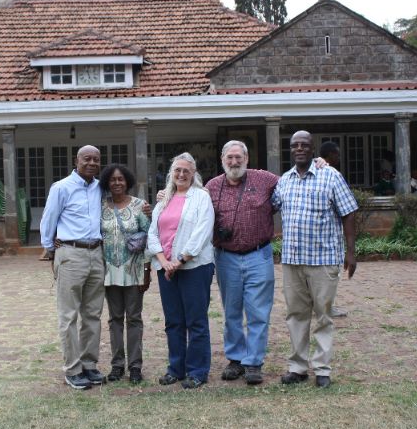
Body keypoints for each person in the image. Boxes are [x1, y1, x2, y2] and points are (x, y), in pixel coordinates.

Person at [273, 131, 358, 389]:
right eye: (294, 145)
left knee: (323, 316)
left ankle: (322, 369)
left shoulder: (330, 176)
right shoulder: (284, 181)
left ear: (313, 151)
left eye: (304, 145)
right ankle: (298, 367)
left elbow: (349, 213)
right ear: (290, 150)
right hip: (292, 260)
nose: (299, 148)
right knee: (296, 315)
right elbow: (267, 204)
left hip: (323, 259)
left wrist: (351, 251)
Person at [205, 140, 278, 385]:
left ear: (246, 158)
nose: (234, 162)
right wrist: (165, 194)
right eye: (230, 158)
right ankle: (235, 359)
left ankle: (254, 362)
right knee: (232, 311)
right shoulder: (212, 186)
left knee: (258, 312)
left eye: (239, 157)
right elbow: (189, 204)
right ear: (222, 159)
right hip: (226, 257)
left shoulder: (265, 179)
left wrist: (318, 164)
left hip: (259, 254)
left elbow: (292, 183)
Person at [39, 145, 106, 390]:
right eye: (86, 158)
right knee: (68, 316)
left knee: (92, 314)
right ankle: (73, 368)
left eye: (96, 160)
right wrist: (51, 250)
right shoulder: (61, 188)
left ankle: (89, 364)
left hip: (96, 254)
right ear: (76, 161)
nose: (91, 163)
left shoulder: (100, 188)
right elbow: (49, 219)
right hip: (70, 253)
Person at [147, 152, 215, 389]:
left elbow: (203, 231)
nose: (182, 174)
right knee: (173, 321)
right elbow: (152, 232)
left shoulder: (201, 197)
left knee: (195, 321)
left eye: (186, 170)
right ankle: (175, 368)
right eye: (177, 170)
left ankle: (197, 371)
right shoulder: (164, 199)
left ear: (194, 173)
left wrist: (181, 259)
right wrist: (164, 261)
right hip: (165, 268)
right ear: (171, 173)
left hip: (194, 267)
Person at [99, 164, 151, 384]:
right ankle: (117, 365)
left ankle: (136, 366)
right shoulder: (100, 206)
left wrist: (147, 270)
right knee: (114, 319)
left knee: (135, 319)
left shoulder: (140, 206)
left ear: (127, 181)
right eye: (112, 180)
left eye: (120, 179)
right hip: (109, 272)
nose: (117, 183)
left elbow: (149, 237)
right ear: (107, 183)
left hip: (135, 270)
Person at [319, 141, 348, 319]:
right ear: (329, 155)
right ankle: (326, 307)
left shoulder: (328, 172)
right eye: (336, 154)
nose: (338, 157)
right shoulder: (330, 174)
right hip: (327, 239)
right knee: (329, 276)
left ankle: (325, 306)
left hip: (329, 237)